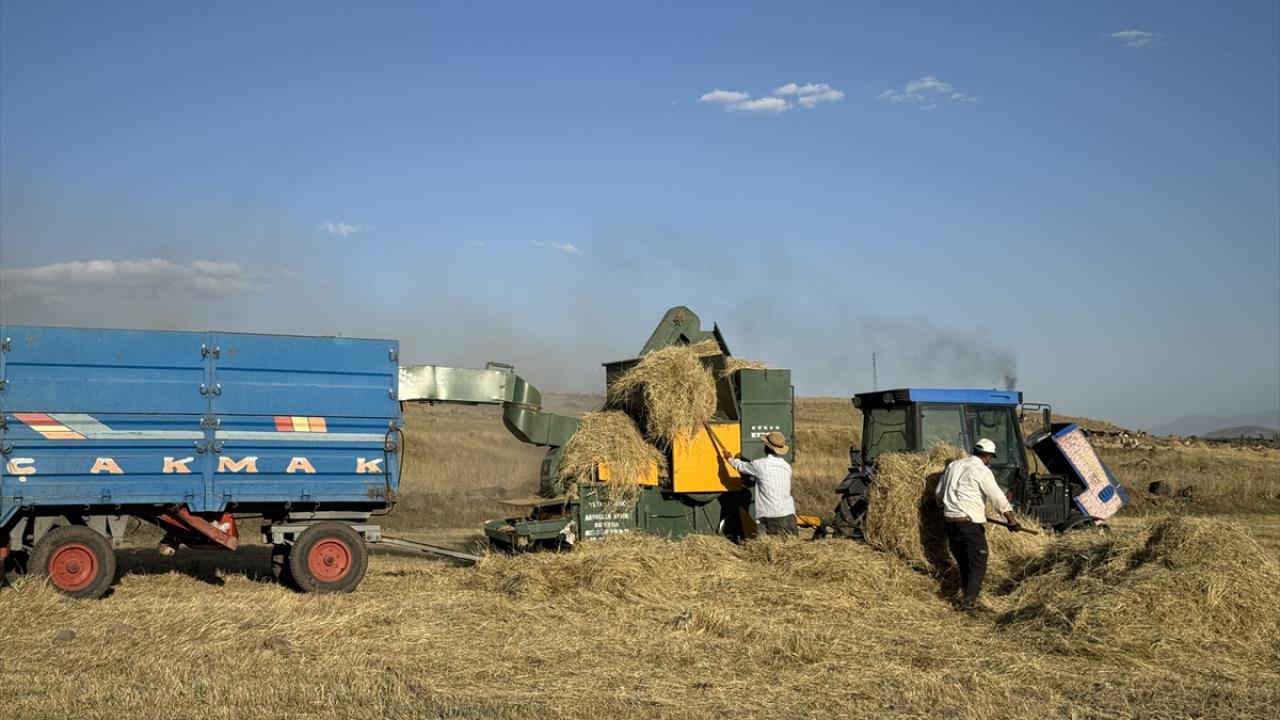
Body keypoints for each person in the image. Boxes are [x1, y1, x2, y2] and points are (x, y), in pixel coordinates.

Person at [934, 437, 1021, 610]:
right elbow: (997, 496)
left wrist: (942, 506)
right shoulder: (982, 471)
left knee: (965, 561)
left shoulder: (953, 466)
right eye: (990, 458)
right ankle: (969, 602)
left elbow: (939, 493)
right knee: (979, 558)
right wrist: (1011, 520)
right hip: (968, 524)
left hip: (950, 523)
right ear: (987, 456)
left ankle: (966, 594)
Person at [723, 431, 797, 536]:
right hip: (789, 513)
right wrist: (755, 482)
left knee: (775, 544)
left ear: (766, 448)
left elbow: (740, 466)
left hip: (772, 515)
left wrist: (729, 458)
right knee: (791, 544)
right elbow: (771, 484)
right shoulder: (786, 466)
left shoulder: (760, 465)